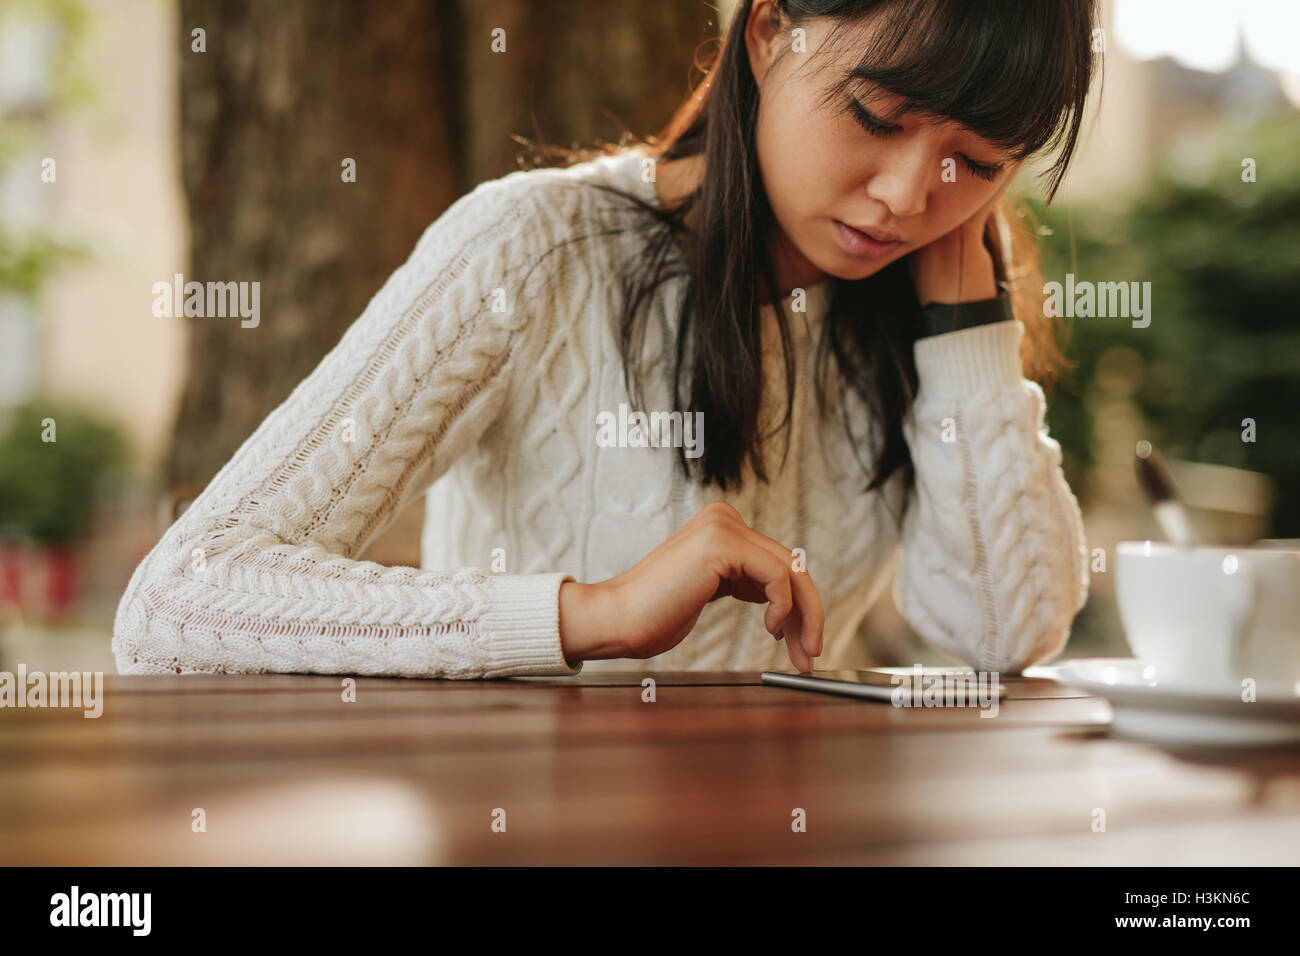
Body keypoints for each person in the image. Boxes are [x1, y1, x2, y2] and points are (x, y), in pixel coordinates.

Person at [113, 0, 1096, 679]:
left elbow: (1003, 633)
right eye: (877, 117)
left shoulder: (908, 297)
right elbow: (177, 603)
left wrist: (966, 323)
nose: (908, 196)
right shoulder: (533, 252)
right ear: (767, 35)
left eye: (976, 161)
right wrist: (589, 612)